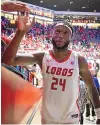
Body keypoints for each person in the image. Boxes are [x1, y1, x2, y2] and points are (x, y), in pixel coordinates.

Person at [2, 12, 100, 124]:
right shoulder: (42, 56)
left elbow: (91, 87)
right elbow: (7, 60)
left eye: (65, 33)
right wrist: (21, 32)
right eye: (57, 31)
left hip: (71, 119)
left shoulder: (79, 60)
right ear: (51, 34)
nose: (61, 35)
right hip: (48, 119)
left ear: (70, 37)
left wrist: (99, 114)